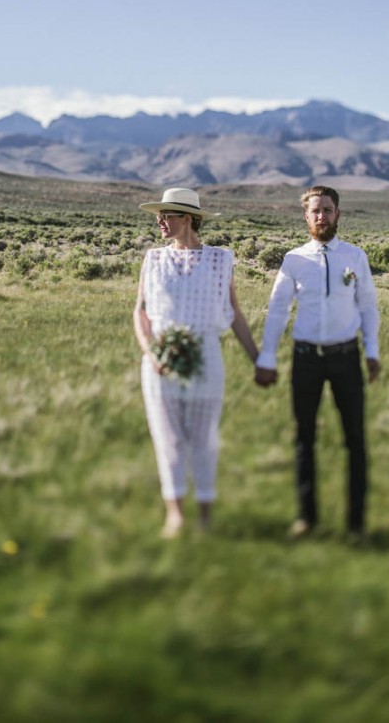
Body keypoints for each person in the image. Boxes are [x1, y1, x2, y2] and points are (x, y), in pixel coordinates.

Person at [255, 185, 381, 542]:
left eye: (327, 209)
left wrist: (371, 350)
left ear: (338, 214)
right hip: (306, 358)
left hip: (345, 357)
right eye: (315, 211)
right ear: (305, 217)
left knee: (355, 439)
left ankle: (356, 524)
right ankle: (306, 517)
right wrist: (266, 356)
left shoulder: (355, 257)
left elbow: (368, 306)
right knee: (304, 438)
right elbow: (278, 309)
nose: (321, 216)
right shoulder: (294, 260)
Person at [134, 187, 258, 538]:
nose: (160, 221)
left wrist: (257, 359)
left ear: (187, 218)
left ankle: (205, 515)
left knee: (203, 438)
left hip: (206, 356)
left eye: (167, 215)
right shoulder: (153, 259)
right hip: (161, 361)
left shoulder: (221, 259)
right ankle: (175, 515)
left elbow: (233, 313)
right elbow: (140, 311)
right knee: (168, 437)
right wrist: (151, 351)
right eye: (159, 216)